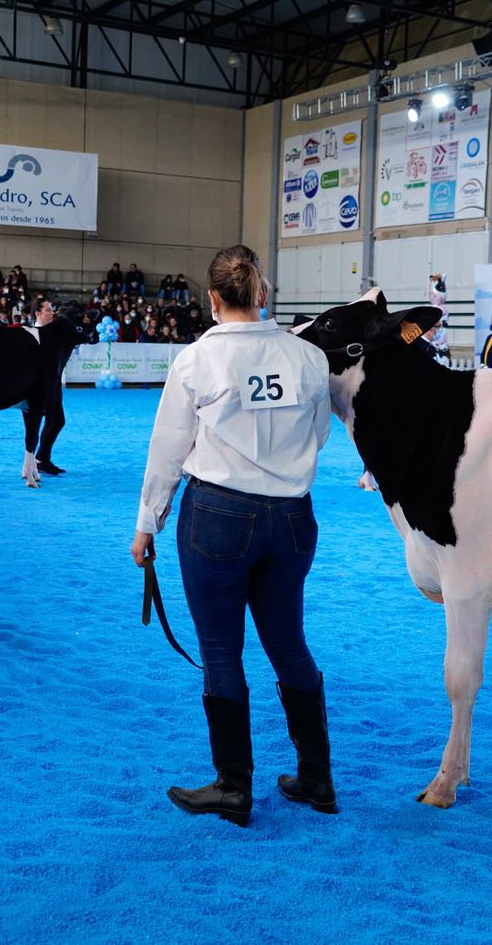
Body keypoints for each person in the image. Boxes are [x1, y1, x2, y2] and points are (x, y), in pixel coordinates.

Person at [130, 245, 336, 827]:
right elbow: (318, 434)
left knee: (223, 651)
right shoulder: (308, 358)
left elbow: (168, 450)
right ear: (263, 294)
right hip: (293, 518)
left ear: (214, 298)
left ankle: (233, 786)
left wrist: (148, 522)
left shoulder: (196, 361)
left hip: (217, 516)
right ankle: (317, 778)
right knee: (289, 645)